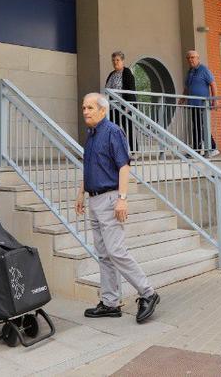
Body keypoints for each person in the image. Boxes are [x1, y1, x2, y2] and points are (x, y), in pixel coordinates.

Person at [76, 93, 161, 323]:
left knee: (116, 251)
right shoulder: (91, 135)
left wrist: (123, 198)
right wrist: (81, 194)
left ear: (103, 110)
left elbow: (124, 166)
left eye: (90, 107)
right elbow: (89, 167)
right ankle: (110, 302)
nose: (85, 111)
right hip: (94, 199)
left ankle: (148, 293)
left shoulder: (113, 131)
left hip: (110, 198)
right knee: (103, 254)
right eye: (84, 107)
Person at [183, 50, 218, 157]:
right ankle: (197, 151)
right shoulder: (190, 71)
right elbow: (187, 87)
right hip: (192, 104)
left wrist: (214, 100)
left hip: (202, 104)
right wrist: (182, 98)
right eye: (188, 58)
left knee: (202, 126)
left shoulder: (204, 70)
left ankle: (212, 148)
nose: (190, 60)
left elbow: (213, 84)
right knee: (197, 127)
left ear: (198, 58)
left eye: (192, 57)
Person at [103, 51, 137, 148]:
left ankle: (134, 150)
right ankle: (116, 151)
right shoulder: (112, 74)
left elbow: (131, 89)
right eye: (113, 60)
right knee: (113, 130)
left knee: (128, 128)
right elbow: (107, 90)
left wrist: (128, 105)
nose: (115, 62)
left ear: (122, 61)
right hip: (113, 107)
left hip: (124, 106)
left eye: (117, 60)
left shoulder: (126, 72)